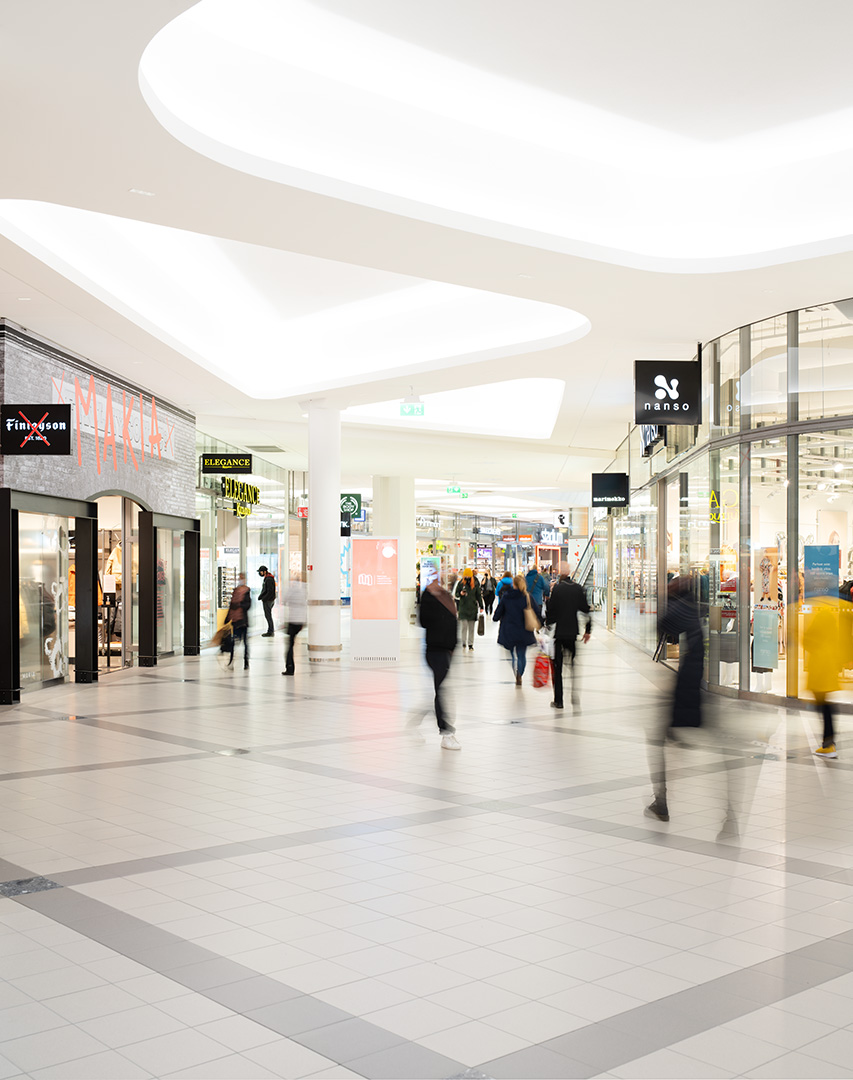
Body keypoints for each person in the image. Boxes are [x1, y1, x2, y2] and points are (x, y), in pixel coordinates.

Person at [646, 575, 704, 821]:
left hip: (688, 686)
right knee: (663, 736)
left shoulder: (684, 606)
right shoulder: (693, 606)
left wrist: (668, 598)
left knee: (656, 740)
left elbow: (664, 624)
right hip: (692, 683)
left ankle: (661, 802)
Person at [417, 567, 461, 750]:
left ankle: (417, 720)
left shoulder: (446, 596)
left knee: (440, 690)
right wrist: (430, 597)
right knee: (440, 690)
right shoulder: (428, 598)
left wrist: (454, 646)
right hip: (435, 650)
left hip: (446, 650)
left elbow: (453, 621)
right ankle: (446, 732)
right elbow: (424, 622)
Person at [545, 562, 591, 710]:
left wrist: (547, 624)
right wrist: (588, 630)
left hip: (559, 634)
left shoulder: (557, 589)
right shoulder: (578, 589)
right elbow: (586, 610)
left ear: (560, 573)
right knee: (572, 666)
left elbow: (551, 612)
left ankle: (559, 701)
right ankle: (574, 695)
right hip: (572, 633)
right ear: (569, 572)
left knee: (558, 668)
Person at [804, 596, 844, 758]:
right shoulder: (832, 620)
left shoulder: (820, 617)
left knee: (824, 705)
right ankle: (829, 743)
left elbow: (807, 640)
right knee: (825, 705)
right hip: (827, 668)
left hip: (819, 669)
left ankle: (828, 745)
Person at [493, 573, 537, 686]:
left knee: (512, 653)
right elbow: (536, 611)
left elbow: (499, 611)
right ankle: (520, 673)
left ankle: (515, 669)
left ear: (514, 584)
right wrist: (541, 623)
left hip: (509, 630)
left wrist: (495, 617)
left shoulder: (506, 596)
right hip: (524, 631)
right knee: (522, 655)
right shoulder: (527, 597)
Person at [280, 571, 308, 675]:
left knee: (290, 645)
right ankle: (290, 667)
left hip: (292, 620)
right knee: (291, 644)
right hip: (300, 621)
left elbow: (284, 600)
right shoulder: (303, 590)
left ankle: (290, 668)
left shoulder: (291, 590)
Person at [227, 572, 251, 670]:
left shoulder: (247, 591)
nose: (240, 580)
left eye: (241, 578)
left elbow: (248, 605)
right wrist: (227, 618)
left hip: (243, 620)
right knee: (233, 642)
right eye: (239, 578)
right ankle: (231, 661)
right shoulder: (235, 591)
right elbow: (231, 605)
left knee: (245, 643)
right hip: (235, 620)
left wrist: (240, 604)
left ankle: (246, 662)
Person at [454, 568, 482, 652]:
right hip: (463, 608)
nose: (467, 578)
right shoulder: (460, 583)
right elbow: (456, 594)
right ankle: (463, 642)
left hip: (472, 608)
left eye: (468, 576)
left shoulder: (475, 583)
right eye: (465, 576)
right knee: (464, 627)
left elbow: (478, 595)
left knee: (471, 628)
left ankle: (470, 644)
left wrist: (481, 606)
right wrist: (460, 593)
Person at [258, 565, 277, 637]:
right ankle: (270, 631)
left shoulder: (268, 579)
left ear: (264, 572)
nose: (260, 573)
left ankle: (270, 631)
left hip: (268, 600)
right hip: (269, 599)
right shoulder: (268, 578)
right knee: (268, 616)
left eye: (261, 572)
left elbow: (269, 591)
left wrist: (264, 599)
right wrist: (261, 596)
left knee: (268, 616)